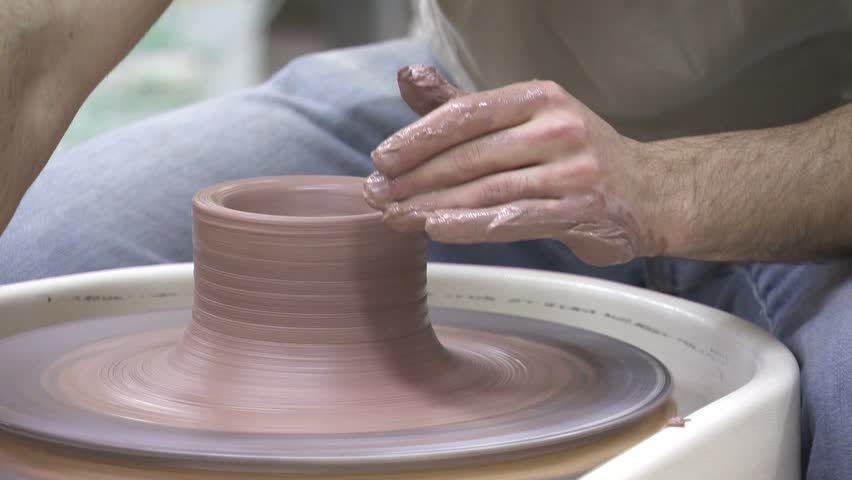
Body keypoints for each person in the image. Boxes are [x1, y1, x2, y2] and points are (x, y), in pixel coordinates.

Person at [1, 1, 850, 478]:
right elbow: (42, 35)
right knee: (45, 257)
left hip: (809, 147)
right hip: (472, 110)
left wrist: (670, 187)